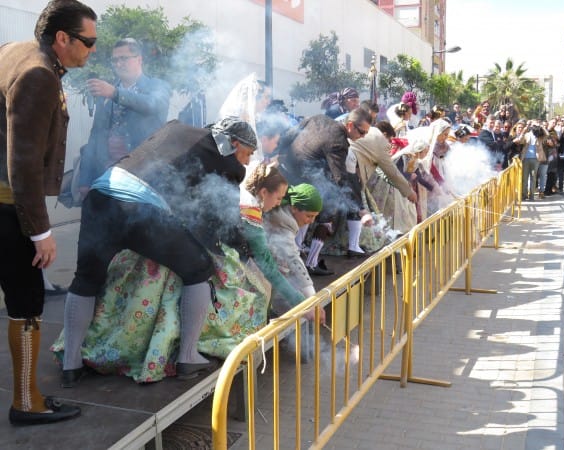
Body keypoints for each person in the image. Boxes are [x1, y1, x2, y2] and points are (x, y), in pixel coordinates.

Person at [60, 117, 256, 387]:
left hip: (100, 193)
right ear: (234, 144)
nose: (246, 162)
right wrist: (243, 247)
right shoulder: (228, 161)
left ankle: (71, 365)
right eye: (248, 153)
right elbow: (223, 216)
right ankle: (188, 357)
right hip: (139, 207)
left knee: (86, 278)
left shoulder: (176, 127)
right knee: (198, 268)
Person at [0, 0, 97, 426]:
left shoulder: (12, 50)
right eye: (88, 42)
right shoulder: (40, 75)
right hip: (8, 207)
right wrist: (41, 232)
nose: (91, 51)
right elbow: (22, 161)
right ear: (62, 38)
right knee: (26, 302)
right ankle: (25, 402)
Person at [277, 108, 372, 273]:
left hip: (288, 172)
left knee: (303, 212)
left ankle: (297, 253)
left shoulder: (318, 117)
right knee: (328, 213)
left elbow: (289, 135)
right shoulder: (339, 143)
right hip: (306, 179)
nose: (362, 136)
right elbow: (340, 178)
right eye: (362, 132)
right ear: (350, 125)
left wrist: (279, 154)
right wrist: (360, 209)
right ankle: (310, 263)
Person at [78, 38, 171, 197]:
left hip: (143, 178)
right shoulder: (107, 92)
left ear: (139, 59)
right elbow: (95, 136)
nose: (119, 64)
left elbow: (151, 104)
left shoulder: (157, 86)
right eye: (115, 60)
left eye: (124, 58)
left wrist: (115, 93)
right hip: (106, 177)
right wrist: (85, 180)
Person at [263, 183, 324, 314]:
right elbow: (292, 258)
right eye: (309, 216)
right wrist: (312, 297)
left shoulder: (284, 213)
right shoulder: (282, 222)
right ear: (294, 208)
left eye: (315, 216)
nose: (312, 221)